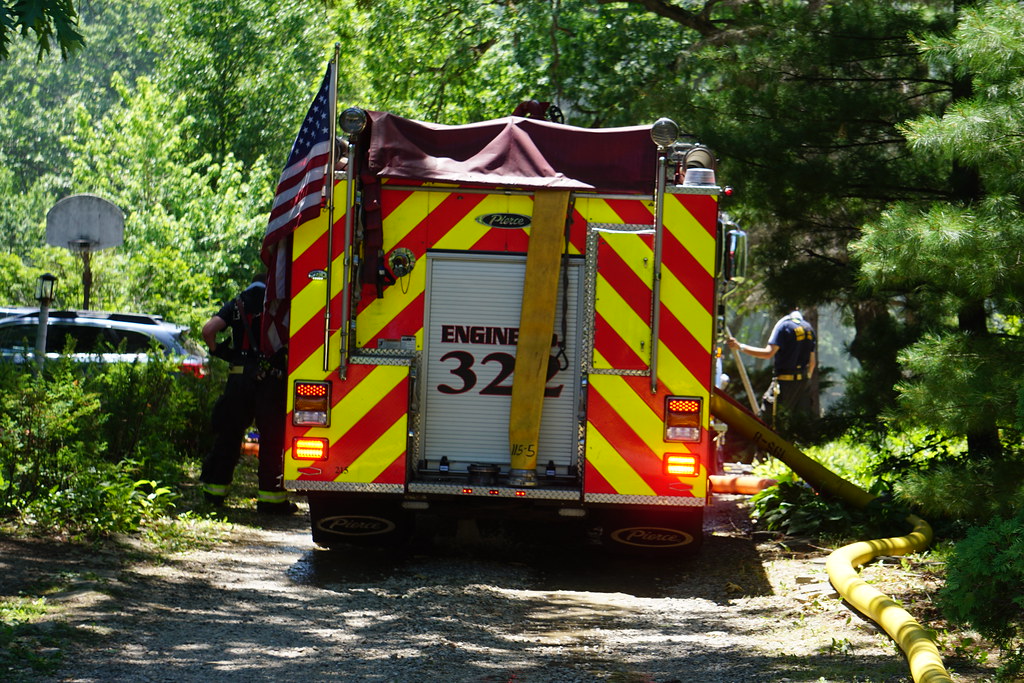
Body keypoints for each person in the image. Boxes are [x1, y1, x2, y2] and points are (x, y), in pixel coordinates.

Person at [199, 273, 297, 515]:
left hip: (239, 378)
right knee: (272, 440)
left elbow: (208, 330)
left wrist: (220, 351)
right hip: (270, 380)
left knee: (229, 435)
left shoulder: (238, 303)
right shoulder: (280, 304)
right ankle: (271, 501)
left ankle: (214, 493)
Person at [728, 307, 817, 436]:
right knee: (793, 423)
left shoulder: (784, 325)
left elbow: (768, 353)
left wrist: (740, 346)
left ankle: (764, 453)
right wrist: (805, 380)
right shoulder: (809, 328)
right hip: (801, 384)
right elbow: (812, 362)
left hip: (783, 384)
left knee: (767, 420)